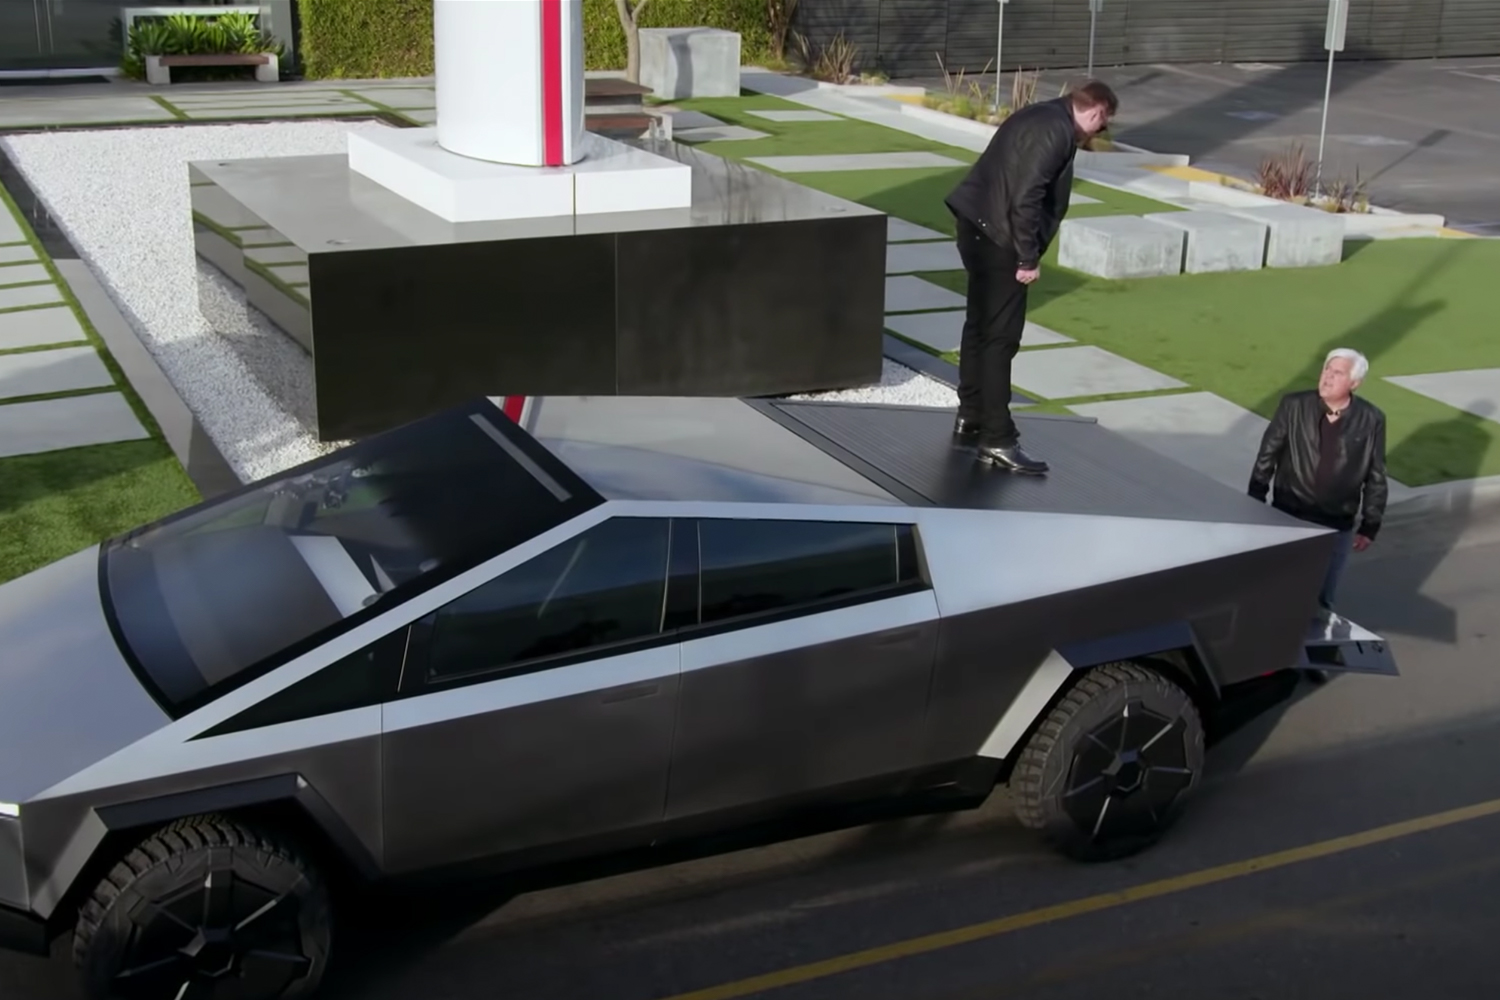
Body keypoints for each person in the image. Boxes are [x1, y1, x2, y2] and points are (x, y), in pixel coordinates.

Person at [944, 79, 1118, 474]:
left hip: (978, 226)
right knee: (1000, 338)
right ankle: (998, 438)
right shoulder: (1056, 130)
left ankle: (972, 415)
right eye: (1101, 125)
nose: (1097, 133)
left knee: (981, 327)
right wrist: (1027, 257)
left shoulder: (1039, 114)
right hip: (1000, 239)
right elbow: (1028, 196)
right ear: (1096, 112)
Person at [1248, 348, 1388, 614]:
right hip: (1289, 516)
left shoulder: (1372, 419)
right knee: (1274, 591)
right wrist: (1254, 502)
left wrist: (1370, 525)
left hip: (1336, 525)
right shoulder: (1294, 405)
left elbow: (1376, 474)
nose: (1327, 377)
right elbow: (1268, 455)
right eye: (1326, 369)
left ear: (1354, 383)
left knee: (1321, 603)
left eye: (1337, 373)